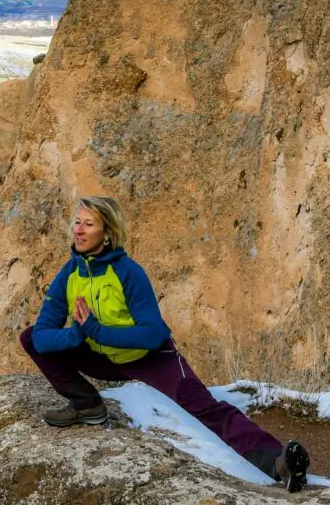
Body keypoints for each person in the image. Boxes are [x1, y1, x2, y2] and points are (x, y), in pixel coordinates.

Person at [19, 196, 310, 492]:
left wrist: (95, 329)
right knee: (29, 338)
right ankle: (87, 405)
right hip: (101, 358)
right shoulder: (70, 273)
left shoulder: (128, 272)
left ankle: (278, 463)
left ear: (107, 232)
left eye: (88, 224)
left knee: (205, 407)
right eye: (77, 223)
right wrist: (78, 335)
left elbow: (152, 333)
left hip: (152, 358)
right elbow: (41, 336)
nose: (78, 230)